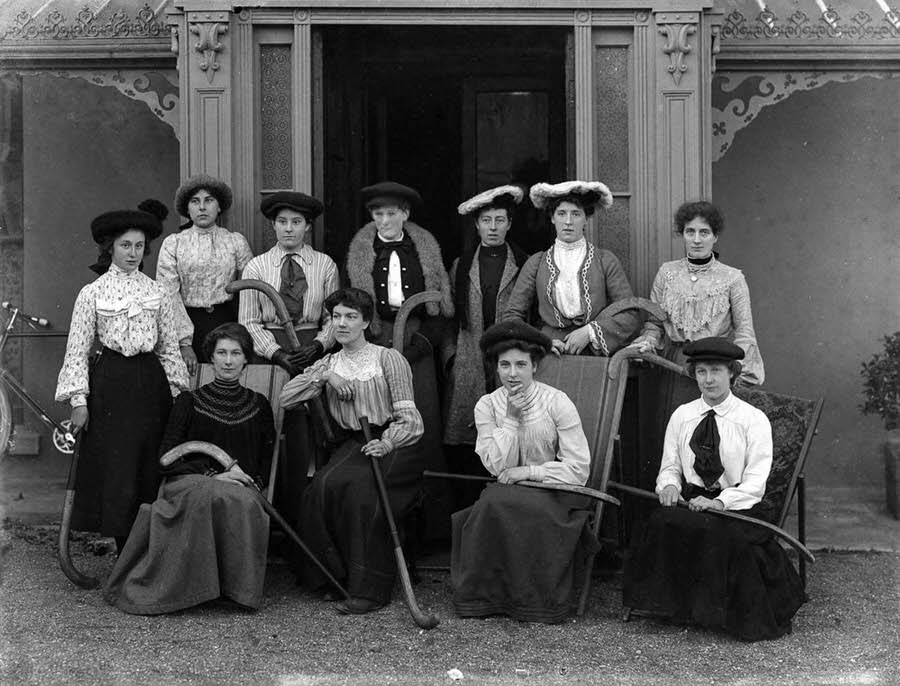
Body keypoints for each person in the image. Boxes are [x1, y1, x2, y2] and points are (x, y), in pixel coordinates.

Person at [622, 338, 805, 641]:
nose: (709, 379)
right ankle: (677, 607)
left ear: (732, 372)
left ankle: (719, 613)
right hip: (691, 500)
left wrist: (719, 502)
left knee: (723, 535)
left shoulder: (753, 420)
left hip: (736, 505)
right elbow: (670, 465)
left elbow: (755, 482)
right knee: (661, 521)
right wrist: (669, 486)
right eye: (701, 371)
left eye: (716, 371)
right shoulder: (682, 415)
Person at [104, 323, 275, 614]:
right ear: (211, 358)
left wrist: (250, 481)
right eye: (222, 353)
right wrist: (213, 475)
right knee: (209, 495)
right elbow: (166, 457)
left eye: (236, 353)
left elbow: (265, 458)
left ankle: (233, 590)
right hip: (189, 481)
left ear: (246, 359)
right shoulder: (189, 401)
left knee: (240, 501)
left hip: (240, 485)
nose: (228, 360)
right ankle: (186, 590)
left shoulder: (259, 404)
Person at [55, 200, 189, 553]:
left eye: (139, 246)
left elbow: (169, 348)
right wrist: (79, 401)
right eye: (125, 245)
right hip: (110, 384)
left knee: (149, 465)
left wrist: (178, 394)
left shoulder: (157, 292)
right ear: (110, 247)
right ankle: (123, 551)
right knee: (118, 466)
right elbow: (77, 349)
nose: (133, 253)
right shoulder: (92, 293)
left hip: (151, 384)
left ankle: (148, 552)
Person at [280, 288, 424, 615]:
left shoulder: (387, 358)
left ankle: (370, 590)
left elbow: (411, 420)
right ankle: (335, 578)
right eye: (336, 317)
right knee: (321, 488)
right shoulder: (330, 362)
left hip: (396, 441)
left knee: (362, 493)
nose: (342, 324)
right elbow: (287, 398)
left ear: (366, 322)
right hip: (355, 442)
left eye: (351, 317)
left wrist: (387, 442)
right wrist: (325, 377)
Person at [451, 320, 596, 623]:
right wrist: (511, 419)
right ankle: (484, 600)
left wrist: (529, 472)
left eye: (521, 364)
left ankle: (537, 604)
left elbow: (578, 469)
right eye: (505, 365)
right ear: (496, 368)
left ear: (535, 366)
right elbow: (496, 466)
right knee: (492, 504)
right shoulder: (487, 406)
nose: (512, 374)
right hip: (507, 489)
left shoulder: (557, 402)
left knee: (503, 504)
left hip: (555, 491)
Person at [630, 200, 765, 385]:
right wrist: (647, 343)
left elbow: (745, 333)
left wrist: (736, 373)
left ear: (715, 236)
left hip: (714, 365)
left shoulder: (733, 278)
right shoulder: (667, 273)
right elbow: (655, 324)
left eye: (704, 232)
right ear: (683, 234)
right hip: (673, 365)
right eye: (690, 232)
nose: (696, 240)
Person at [502, 180, 640, 356]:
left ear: (586, 219)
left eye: (575, 214)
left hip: (594, 353)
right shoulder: (536, 263)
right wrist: (540, 342)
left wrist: (590, 332)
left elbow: (629, 312)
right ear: (552, 218)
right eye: (561, 214)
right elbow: (512, 315)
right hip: (550, 354)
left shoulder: (605, 260)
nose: (568, 221)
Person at [444, 185, 530, 447]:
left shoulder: (524, 263)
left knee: (512, 429)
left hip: (510, 353)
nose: (493, 227)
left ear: (509, 224)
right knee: (470, 435)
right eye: (486, 220)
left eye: (500, 220)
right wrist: (451, 359)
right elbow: (448, 317)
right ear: (476, 224)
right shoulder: (461, 266)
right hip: (469, 356)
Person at [157, 174, 253, 371]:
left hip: (227, 322)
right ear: (187, 209)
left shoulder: (235, 241)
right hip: (188, 323)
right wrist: (184, 343)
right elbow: (168, 294)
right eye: (195, 201)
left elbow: (250, 290)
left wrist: (241, 332)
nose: (202, 207)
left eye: (208, 200)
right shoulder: (174, 244)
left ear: (219, 207)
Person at [345, 181, 453, 351]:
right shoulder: (357, 256)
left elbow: (438, 305)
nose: (384, 221)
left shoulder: (425, 252)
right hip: (374, 340)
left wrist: (421, 343)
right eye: (378, 214)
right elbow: (347, 306)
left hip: (417, 337)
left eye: (391, 213)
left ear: (405, 214)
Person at [239, 191, 337, 375]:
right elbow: (248, 321)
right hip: (268, 353)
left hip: (312, 353)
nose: (289, 228)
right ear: (273, 224)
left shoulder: (325, 265)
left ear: (307, 226)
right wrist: (276, 354)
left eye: (296, 222)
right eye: (282, 222)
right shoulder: (256, 266)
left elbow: (333, 317)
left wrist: (318, 346)